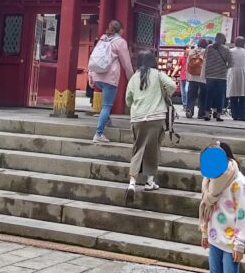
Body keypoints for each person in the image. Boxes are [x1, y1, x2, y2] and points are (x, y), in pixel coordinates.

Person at [124, 50, 177, 202]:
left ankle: (132, 183)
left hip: (138, 118)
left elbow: (128, 99)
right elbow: (172, 86)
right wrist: (165, 95)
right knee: (153, 149)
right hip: (156, 116)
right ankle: (149, 181)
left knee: (138, 149)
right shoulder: (158, 74)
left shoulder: (134, 77)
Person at [199, 141, 245, 272]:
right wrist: (205, 233)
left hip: (231, 240)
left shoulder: (238, 182)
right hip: (214, 235)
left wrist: (239, 245)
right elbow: (207, 206)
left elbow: (243, 214)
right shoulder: (210, 178)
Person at [88, 19, 134, 144]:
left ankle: (106, 120)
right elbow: (126, 63)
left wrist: (91, 74)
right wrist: (132, 78)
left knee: (105, 105)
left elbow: (93, 56)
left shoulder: (103, 38)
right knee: (107, 105)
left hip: (98, 75)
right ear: (121, 30)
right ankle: (98, 133)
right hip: (110, 77)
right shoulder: (120, 42)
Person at [203, 33, 232, 121]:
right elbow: (230, 62)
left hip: (210, 75)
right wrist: (225, 67)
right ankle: (218, 115)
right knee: (220, 96)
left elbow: (205, 58)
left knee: (209, 95)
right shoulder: (226, 49)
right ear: (223, 40)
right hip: (221, 76)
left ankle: (207, 114)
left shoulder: (209, 47)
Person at [226, 37, 245, 121]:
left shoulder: (230, 51)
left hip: (233, 73)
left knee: (233, 95)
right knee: (243, 95)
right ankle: (243, 116)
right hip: (244, 74)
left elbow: (227, 63)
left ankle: (234, 115)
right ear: (243, 43)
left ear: (235, 43)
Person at [185, 39, 208, 118]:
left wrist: (187, 76)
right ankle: (201, 113)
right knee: (203, 96)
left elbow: (188, 63)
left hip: (192, 77)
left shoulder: (192, 51)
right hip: (203, 77)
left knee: (191, 95)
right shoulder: (206, 52)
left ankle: (189, 110)